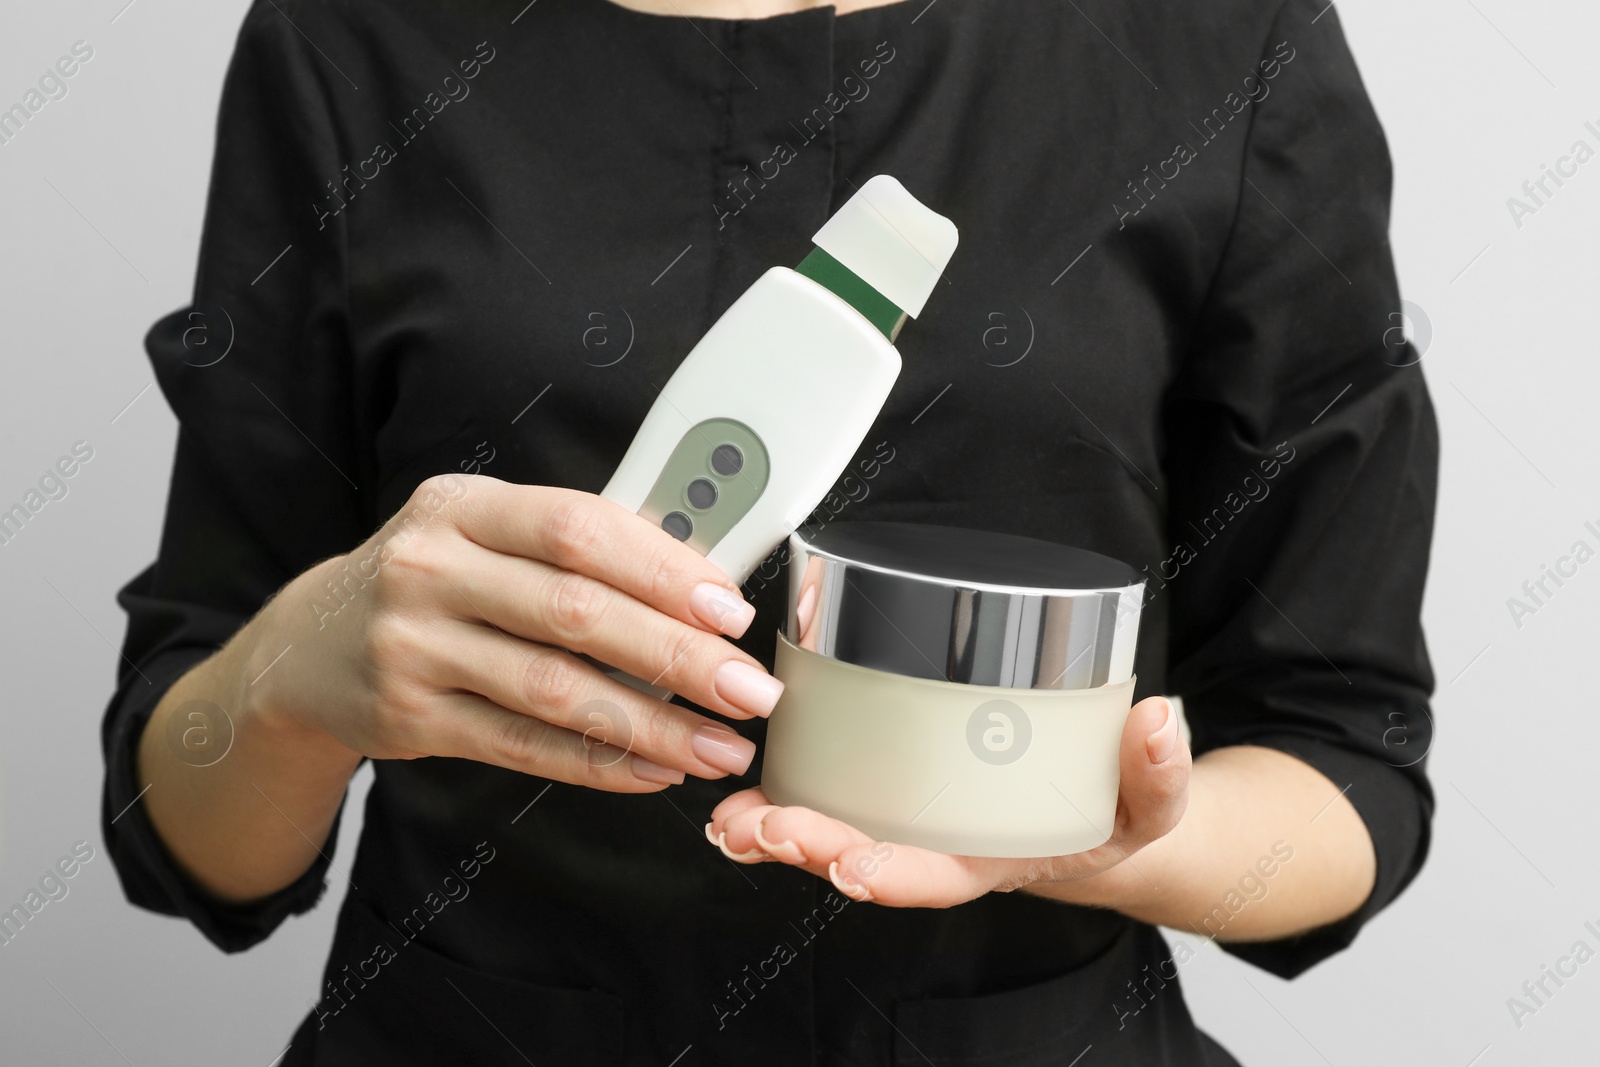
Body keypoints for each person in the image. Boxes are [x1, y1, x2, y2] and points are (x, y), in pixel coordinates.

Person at [100, 0, 1438, 1063]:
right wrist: (290, 684)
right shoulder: (351, 40)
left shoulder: (1215, 37)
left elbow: (1342, 760)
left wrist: (1110, 840)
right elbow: (186, 828)